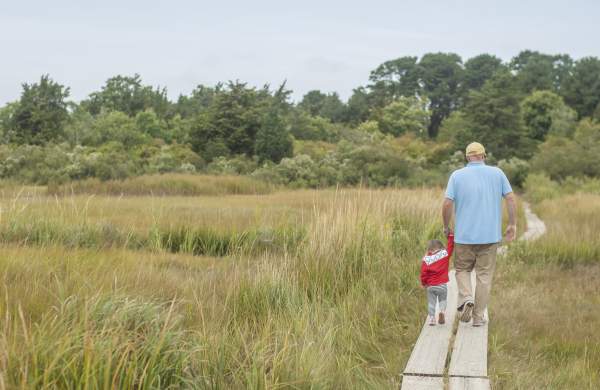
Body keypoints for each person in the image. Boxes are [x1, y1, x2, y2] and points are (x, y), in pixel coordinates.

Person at [442, 142, 517, 327]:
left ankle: (466, 298)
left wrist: (446, 225)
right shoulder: (497, 173)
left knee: (462, 270)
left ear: (467, 157)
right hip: (490, 237)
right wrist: (512, 223)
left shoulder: (457, 176)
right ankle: (477, 317)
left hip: (464, 237)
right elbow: (510, 198)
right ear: (484, 156)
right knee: (484, 276)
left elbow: (447, 203)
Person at [420, 233, 454, 326]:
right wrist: (451, 236)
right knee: (443, 300)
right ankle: (442, 312)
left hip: (431, 286)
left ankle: (431, 319)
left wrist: (424, 283)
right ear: (441, 247)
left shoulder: (426, 259)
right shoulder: (444, 254)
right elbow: (451, 247)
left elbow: (423, 274)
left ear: (429, 249)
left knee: (431, 302)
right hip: (442, 285)